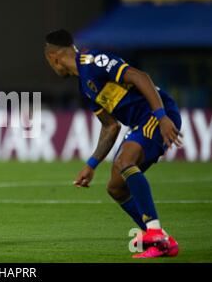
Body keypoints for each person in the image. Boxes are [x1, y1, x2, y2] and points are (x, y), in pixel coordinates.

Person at [44, 29, 182, 258]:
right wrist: (91, 164)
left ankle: (155, 235)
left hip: (156, 113)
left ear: (53, 57)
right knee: (116, 187)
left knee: (125, 161)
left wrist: (162, 117)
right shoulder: (85, 87)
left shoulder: (94, 61)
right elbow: (111, 126)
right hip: (139, 122)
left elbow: (140, 77)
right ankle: (163, 239)